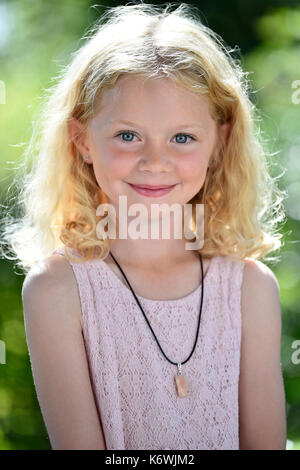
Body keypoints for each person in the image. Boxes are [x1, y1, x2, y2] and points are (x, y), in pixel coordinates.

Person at [2, 3, 287, 450]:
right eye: (128, 136)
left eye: (182, 138)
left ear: (221, 141)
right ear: (82, 141)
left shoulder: (249, 289)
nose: (155, 162)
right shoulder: (59, 290)